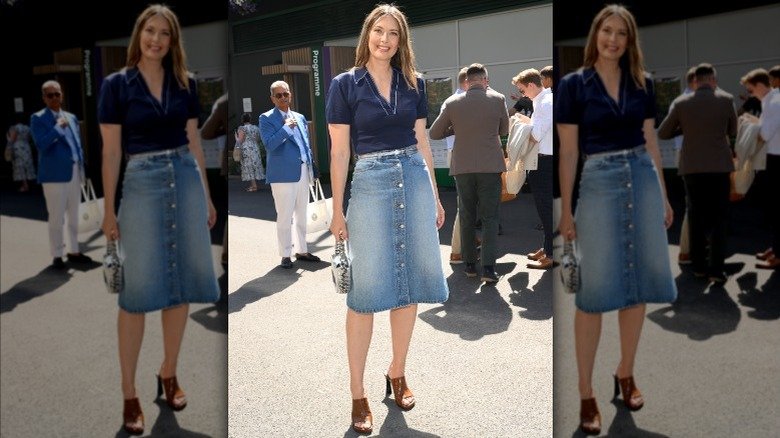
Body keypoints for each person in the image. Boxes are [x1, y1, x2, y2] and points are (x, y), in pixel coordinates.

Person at [326, 4, 449, 433]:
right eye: (378, 31)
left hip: (413, 178)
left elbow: (422, 142)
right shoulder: (345, 84)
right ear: (367, 35)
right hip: (371, 182)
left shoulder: (413, 83)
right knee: (365, 292)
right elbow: (340, 151)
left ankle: (396, 370)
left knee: (409, 284)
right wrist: (337, 208)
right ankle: (357, 392)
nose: (385, 39)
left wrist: (434, 196)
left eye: (393, 33)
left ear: (401, 40)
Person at [97, 5, 220, 435]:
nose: (156, 39)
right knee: (136, 292)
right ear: (139, 35)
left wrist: (205, 195)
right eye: (150, 31)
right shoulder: (116, 86)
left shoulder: (184, 84)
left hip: (184, 178)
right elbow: (111, 152)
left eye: (164, 33)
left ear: (172, 41)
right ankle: (128, 391)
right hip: (142, 181)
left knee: (180, 286)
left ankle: (168, 370)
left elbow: (193, 141)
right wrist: (108, 208)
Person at [556, 5, 677, 435]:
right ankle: (586, 391)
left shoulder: (641, 83)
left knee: (637, 285)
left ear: (629, 41)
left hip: (641, 178)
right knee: (593, 292)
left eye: (621, 33)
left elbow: (650, 141)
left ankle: (625, 371)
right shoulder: (574, 85)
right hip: (600, 181)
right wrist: (567, 210)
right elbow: (569, 152)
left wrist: (663, 195)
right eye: (607, 30)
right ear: (596, 35)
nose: (613, 39)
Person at [658, 63, 738, 283]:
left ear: (696, 80)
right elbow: (733, 131)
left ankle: (699, 267)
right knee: (719, 219)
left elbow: (663, 132)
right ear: (712, 80)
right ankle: (717, 270)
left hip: (692, 168)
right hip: (720, 167)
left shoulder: (682, 103)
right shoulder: (726, 100)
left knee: (696, 216)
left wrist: (684, 128)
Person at [430, 63, 508, 282]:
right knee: (490, 217)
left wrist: (456, 128)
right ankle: (490, 268)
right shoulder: (498, 99)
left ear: (467, 81)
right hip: (490, 165)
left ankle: (470, 265)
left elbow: (435, 133)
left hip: (463, 167)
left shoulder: (453, 102)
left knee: (466, 215)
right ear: (484, 80)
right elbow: (504, 130)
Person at [30, 80, 93, 269]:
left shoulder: (71, 117)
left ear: (62, 95)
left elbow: (77, 145)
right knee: (57, 217)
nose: (55, 98)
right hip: (54, 175)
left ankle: (74, 250)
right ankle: (57, 254)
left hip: (74, 171)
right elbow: (41, 144)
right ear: (44, 98)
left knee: (74, 215)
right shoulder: (38, 118)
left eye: (57, 94)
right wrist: (57, 128)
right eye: (50, 95)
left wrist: (82, 168)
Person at [259, 80, 321, 269]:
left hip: (303, 170)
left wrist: (312, 167)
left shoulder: (300, 117)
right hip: (282, 175)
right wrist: (286, 128)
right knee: (285, 216)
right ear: (272, 98)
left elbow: (305, 145)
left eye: (286, 94)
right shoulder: (266, 118)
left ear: (290, 95)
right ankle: (285, 254)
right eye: (279, 95)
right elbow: (269, 144)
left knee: (302, 214)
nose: (283, 98)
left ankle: (302, 249)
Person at [513, 68, 554, 269]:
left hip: (546, 161)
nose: (523, 95)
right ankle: (547, 248)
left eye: (522, 91)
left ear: (531, 85)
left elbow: (536, 135)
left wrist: (522, 123)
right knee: (544, 207)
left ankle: (551, 253)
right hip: (544, 159)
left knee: (546, 208)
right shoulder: (543, 101)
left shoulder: (546, 103)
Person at [740, 68, 780, 269]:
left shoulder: (773, 102)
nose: (750, 94)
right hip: (774, 157)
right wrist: (755, 121)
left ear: (760, 85)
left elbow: (764, 135)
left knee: (775, 208)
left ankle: (778, 255)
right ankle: (776, 248)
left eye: (750, 90)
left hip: (777, 159)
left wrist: (750, 125)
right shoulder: (773, 100)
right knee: (773, 208)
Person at [201, 93, 229, 266]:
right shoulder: (224, 103)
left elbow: (205, 132)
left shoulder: (223, 103)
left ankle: (226, 253)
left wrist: (222, 129)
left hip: (226, 160)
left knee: (227, 211)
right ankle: (226, 253)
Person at [443, 67, 468, 263]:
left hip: (459, 154)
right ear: (467, 82)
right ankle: (457, 251)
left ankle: (468, 241)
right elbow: (439, 130)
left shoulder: (451, 101)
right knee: (465, 204)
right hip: (463, 155)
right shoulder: (459, 102)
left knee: (468, 202)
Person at [235, 112, 265, 191]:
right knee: (255, 165)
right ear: (250, 119)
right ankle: (254, 185)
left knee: (249, 166)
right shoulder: (255, 128)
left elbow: (240, 140)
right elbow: (258, 139)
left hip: (246, 149)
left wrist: (236, 138)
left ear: (242, 120)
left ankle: (254, 186)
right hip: (255, 147)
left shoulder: (242, 128)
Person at [6, 117, 36, 192]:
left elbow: (13, 138)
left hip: (18, 148)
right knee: (27, 165)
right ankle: (30, 184)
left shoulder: (15, 127)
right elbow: (30, 138)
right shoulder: (28, 128)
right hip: (26, 147)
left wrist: (8, 146)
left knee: (20, 166)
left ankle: (25, 185)